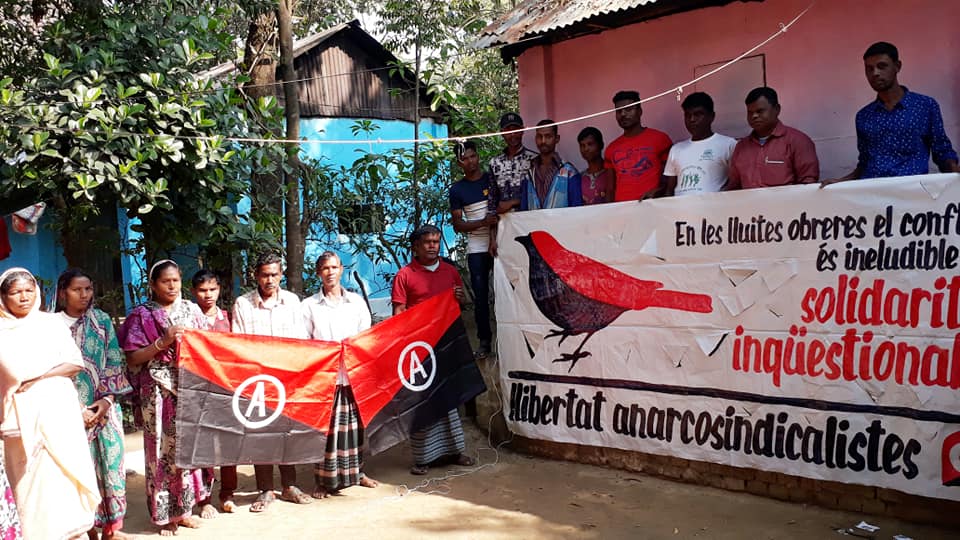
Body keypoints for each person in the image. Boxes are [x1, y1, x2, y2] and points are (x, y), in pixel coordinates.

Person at [0, 267, 99, 539]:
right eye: (15, 292)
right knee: (29, 484)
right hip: (18, 419)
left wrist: (37, 376)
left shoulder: (50, 323)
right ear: (3, 296)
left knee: (64, 477)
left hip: (59, 413)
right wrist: (27, 377)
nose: (24, 297)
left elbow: (74, 363)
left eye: (29, 291)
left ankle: (73, 532)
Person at [117, 260, 215, 536]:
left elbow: (207, 349)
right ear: (153, 285)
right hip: (157, 392)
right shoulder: (141, 316)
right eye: (165, 281)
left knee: (188, 448)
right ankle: (164, 515)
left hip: (189, 389)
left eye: (176, 280)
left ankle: (185, 510)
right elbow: (133, 357)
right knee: (160, 450)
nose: (172, 286)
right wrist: (164, 342)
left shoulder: (192, 311)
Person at [391, 225, 476, 475]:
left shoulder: (450, 271)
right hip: (420, 350)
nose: (432, 246)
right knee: (423, 401)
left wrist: (462, 298)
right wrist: (404, 346)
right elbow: (399, 315)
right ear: (415, 247)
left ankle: (455, 451)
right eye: (427, 242)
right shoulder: (405, 275)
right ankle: (423, 458)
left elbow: (467, 303)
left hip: (448, 344)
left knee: (450, 398)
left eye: (436, 241)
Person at [55, 269, 133, 540]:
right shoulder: (51, 326)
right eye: (78, 290)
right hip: (66, 412)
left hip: (105, 409)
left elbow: (114, 360)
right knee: (78, 472)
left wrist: (106, 400)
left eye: (88, 289)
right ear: (63, 292)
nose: (85, 295)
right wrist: (78, 410)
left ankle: (112, 529)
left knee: (111, 467)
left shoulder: (101, 321)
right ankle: (87, 529)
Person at [231, 252, 312, 512]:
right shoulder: (243, 304)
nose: (270, 280)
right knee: (261, 434)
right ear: (255, 275)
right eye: (265, 274)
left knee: (287, 433)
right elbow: (239, 345)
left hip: (287, 377)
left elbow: (300, 341)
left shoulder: (292, 301)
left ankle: (290, 485)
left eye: (275, 274)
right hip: (256, 381)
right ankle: (265, 490)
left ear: (281, 274)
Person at [823, 41, 960, 186]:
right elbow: (864, 162)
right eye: (869, 69)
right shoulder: (863, 116)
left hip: (913, 194)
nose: (875, 73)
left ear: (897, 66)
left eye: (882, 66)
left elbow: (942, 151)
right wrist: (840, 183)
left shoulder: (925, 106)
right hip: (872, 195)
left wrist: (955, 172)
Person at [301, 252, 380, 499]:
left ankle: (357, 472)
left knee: (355, 427)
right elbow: (303, 342)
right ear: (318, 273)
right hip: (325, 377)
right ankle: (324, 481)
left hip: (353, 374)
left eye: (334, 267)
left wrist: (354, 353)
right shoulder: (309, 305)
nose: (330, 272)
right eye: (325, 268)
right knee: (327, 430)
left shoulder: (356, 302)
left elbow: (365, 337)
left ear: (342, 269)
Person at [190, 269, 238, 513]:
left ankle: (227, 493)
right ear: (193, 292)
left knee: (228, 444)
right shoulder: (189, 320)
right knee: (203, 445)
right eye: (202, 290)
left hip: (226, 390)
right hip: (197, 392)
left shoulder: (228, 319)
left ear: (219, 289)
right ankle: (204, 498)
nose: (208, 295)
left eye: (212, 289)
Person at [450, 141, 498, 357]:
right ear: (459, 163)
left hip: (500, 243)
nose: (470, 162)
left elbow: (500, 212)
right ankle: (485, 341)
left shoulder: (492, 178)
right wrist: (483, 223)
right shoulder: (457, 190)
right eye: (464, 159)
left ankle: (509, 337)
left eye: (472, 156)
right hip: (477, 246)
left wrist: (491, 228)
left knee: (507, 292)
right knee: (480, 296)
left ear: (478, 156)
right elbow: (458, 225)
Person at [726, 87, 820, 190]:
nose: (754, 116)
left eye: (760, 111)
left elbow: (808, 184)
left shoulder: (798, 141)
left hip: (787, 205)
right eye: (750, 112)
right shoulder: (741, 147)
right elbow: (734, 186)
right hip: (749, 205)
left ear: (777, 109)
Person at [663, 92, 738, 196]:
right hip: (681, 210)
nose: (692, 119)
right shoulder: (676, 149)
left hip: (713, 209)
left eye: (698, 114)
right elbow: (669, 190)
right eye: (688, 115)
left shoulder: (728, 144)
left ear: (712, 116)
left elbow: (737, 183)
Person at [604, 90, 672, 201]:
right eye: (618, 111)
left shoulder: (660, 139)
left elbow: (670, 178)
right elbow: (610, 189)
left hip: (652, 207)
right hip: (622, 211)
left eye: (628, 109)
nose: (623, 114)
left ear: (640, 111)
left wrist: (659, 191)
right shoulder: (611, 148)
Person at [487, 112, 537, 255]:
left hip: (528, 224)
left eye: (516, 129)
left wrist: (513, 202)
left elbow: (539, 196)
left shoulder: (533, 159)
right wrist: (492, 238)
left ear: (522, 130)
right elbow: (492, 203)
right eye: (508, 130)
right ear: (502, 133)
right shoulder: (494, 163)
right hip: (504, 227)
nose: (512, 134)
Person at [520, 120, 583, 210]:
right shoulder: (529, 172)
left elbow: (577, 208)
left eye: (548, 136)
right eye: (539, 136)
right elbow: (524, 209)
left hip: (561, 223)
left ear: (557, 138)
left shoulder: (569, 173)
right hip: (534, 224)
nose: (543, 141)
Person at [577, 127, 615, 204]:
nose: (586, 149)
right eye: (582, 145)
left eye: (590, 144)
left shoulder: (613, 173)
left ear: (601, 145)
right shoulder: (579, 178)